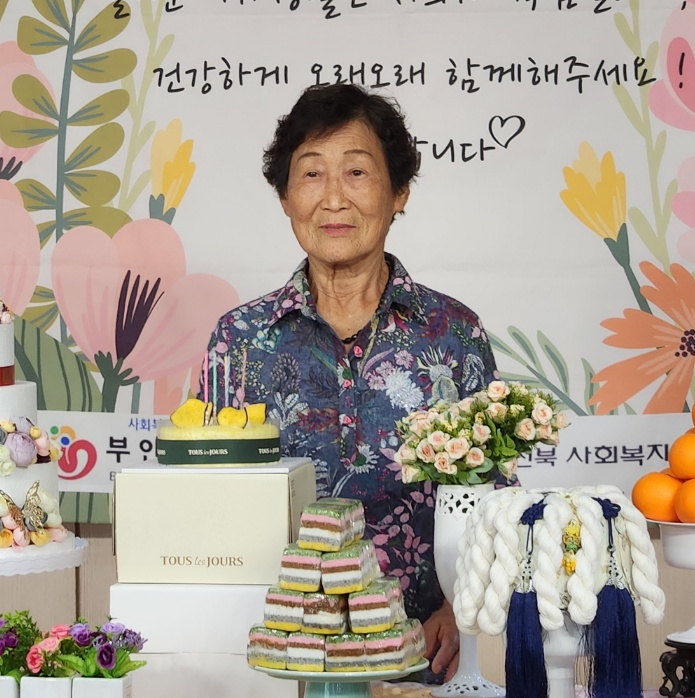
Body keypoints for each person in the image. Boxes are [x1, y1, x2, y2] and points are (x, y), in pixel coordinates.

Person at [203, 83, 503, 680]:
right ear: (285, 197)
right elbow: (211, 498)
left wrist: (457, 608)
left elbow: (494, 500)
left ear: (399, 193)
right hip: (274, 661)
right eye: (311, 174)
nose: (334, 197)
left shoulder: (453, 333)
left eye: (358, 172)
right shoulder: (239, 340)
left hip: (418, 655)